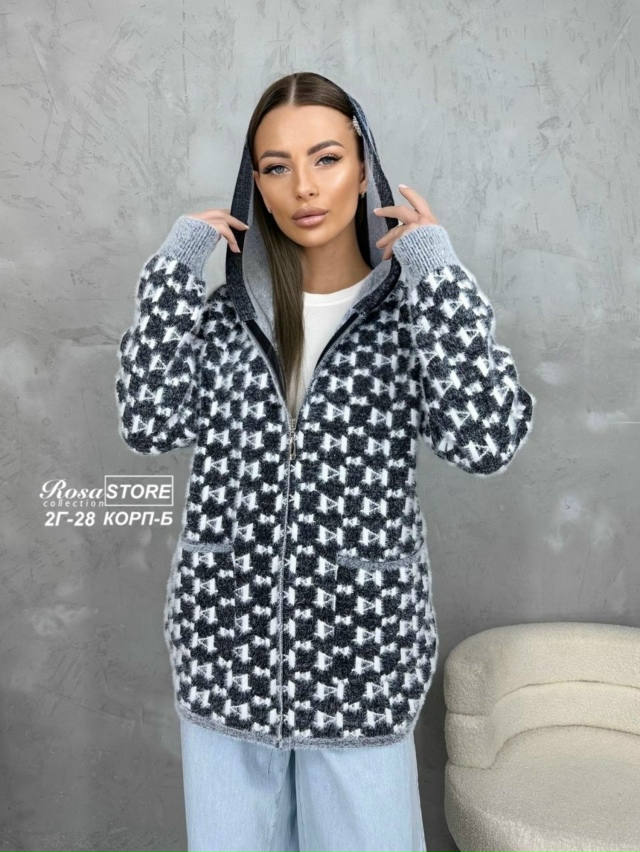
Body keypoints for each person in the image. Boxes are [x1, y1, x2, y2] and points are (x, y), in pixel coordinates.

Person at [115, 71, 535, 852]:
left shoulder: (409, 321)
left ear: (364, 166)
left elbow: (488, 441)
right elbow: (146, 424)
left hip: (361, 660)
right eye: (277, 167)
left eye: (327, 158)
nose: (304, 187)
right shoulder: (223, 322)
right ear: (256, 184)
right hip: (225, 657)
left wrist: (436, 273)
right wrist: (174, 273)